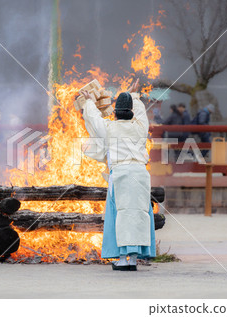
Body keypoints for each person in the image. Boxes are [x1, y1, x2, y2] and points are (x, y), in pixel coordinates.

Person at [80, 78, 156, 271]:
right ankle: (133, 259)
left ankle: (122, 258)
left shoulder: (110, 128)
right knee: (139, 214)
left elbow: (95, 120)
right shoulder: (140, 127)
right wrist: (134, 95)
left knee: (120, 215)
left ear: (115, 113)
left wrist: (89, 101)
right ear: (131, 111)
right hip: (140, 174)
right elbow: (141, 112)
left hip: (121, 174)